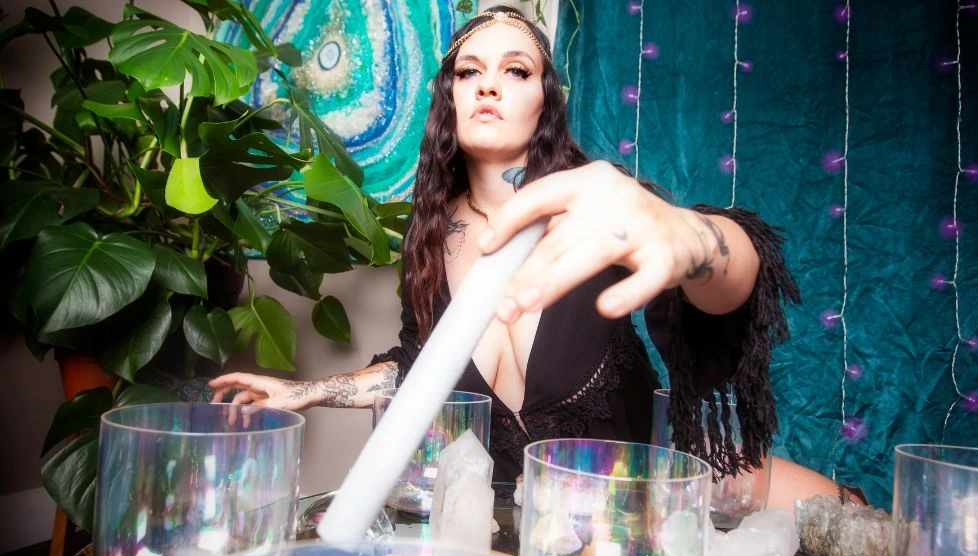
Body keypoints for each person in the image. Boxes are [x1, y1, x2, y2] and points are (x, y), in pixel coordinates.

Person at [211, 7, 859, 505]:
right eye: (470, 71)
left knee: (867, 539)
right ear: (450, 97)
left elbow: (730, 282)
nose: (489, 85)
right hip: (509, 532)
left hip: (634, 500)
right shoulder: (430, 235)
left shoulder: (601, 203)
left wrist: (691, 237)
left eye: (515, 69)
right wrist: (308, 391)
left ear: (544, 98)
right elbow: (418, 367)